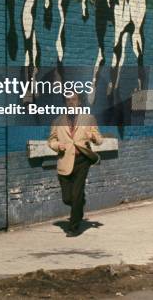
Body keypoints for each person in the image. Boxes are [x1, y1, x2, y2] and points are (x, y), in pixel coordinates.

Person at [48, 92, 103, 236]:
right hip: (65, 160)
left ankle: (73, 228)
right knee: (68, 198)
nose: (71, 102)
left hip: (82, 160)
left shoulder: (88, 118)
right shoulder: (57, 121)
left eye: (74, 99)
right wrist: (57, 145)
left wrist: (92, 136)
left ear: (79, 102)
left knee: (76, 193)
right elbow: (51, 140)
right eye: (68, 100)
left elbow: (99, 139)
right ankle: (79, 204)